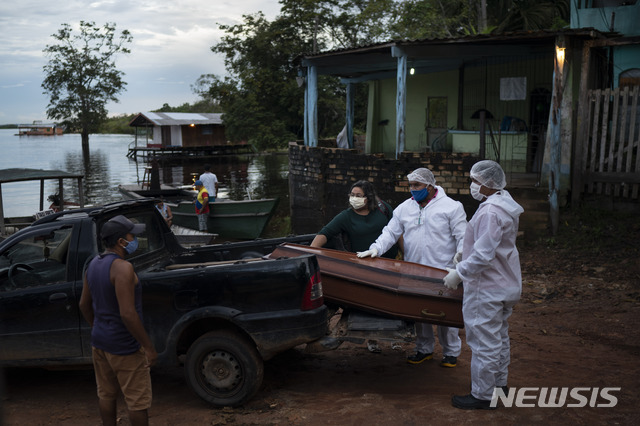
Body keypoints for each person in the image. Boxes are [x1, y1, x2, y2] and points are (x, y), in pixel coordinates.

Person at [357, 167, 466, 367]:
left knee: (445, 313)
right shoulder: (404, 208)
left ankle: (451, 352)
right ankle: (424, 349)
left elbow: (462, 237)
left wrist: (459, 263)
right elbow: (390, 232)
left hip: (444, 270)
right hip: (415, 270)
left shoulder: (451, 207)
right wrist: (375, 249)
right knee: (420, 312)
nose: (413, 189)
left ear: (430, 186)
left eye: (417, 185)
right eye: (411, 185)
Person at [444, 160, 524, 410]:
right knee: (498, 337)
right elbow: (489, 246)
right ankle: (499, 386)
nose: (473, 185)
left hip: (487, 287)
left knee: (483, 342)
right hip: (504, 282)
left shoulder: (490, 212)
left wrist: (459, 272)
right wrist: (464, 254)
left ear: (489, 184)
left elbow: (483, 255)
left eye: (476, 181)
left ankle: (483, 395)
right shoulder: (503, 204)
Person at [79, 215, 158, 426]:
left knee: (106, 394)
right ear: (121, 241)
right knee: (137, 402)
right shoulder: (123, 268)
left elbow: (83, 305)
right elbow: (128, 314)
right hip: (125, 346)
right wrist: (148, 347)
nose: (135, 240)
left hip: (100, 343)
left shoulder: (93, 265)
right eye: (132, 236)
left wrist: (97, 327)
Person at [310, 180, 398, 354]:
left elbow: (398, 231)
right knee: (371, 302)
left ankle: (395, 338)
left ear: (368, 198)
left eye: (359, 196)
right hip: (364, 266)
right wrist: (310, 255)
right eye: (352, 195)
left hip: (390, 264)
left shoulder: (383, 209)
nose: (354, 198)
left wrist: (406, 257)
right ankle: (372, 338)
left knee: (391, 300)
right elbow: (324, 233)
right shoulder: (346, 216)